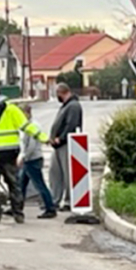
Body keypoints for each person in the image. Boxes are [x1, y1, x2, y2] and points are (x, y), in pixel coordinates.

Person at [0, 86, 49, 224]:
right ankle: (18, 214)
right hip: (9, 153)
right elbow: (27, 127)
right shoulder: (11, 109)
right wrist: (44, 138)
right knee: (14, 184)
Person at [19, 105, 57, 219]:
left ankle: (50, 208)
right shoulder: (26, 125)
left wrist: (23, 157)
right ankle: (16, 207)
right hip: (30, 160)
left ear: (27, 113)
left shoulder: (33, 126)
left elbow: (31, 146)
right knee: (21, 184)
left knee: (39, 185)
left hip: (33, 159)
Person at [49, 82, 83, 211]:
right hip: (58, 146)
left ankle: (69, 201)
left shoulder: (73, 106)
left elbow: (71, 125)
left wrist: (61, 138)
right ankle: (55, 199)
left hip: (66, 144)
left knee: (68, 173)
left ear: (62, 92)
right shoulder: (66, 106)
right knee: (55, 172)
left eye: (57, 94)